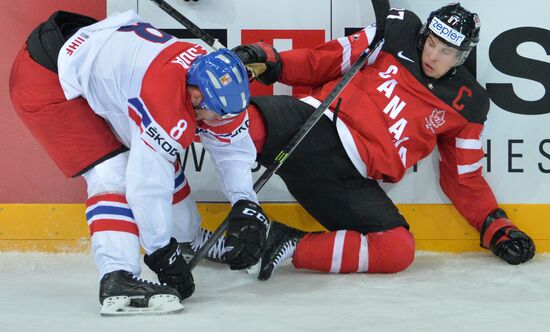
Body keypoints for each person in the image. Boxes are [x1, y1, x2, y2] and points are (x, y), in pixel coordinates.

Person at [188, 2, 536, 280]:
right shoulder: (398, 32)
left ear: (462, 56)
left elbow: (464, 177)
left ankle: (278, 243)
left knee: (398, 248)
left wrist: (496, 226)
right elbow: (324, 60)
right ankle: (177, 221)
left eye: (445, 51)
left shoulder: (469, 104)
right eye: (431, 43)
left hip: (348, 180)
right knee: (228, 118)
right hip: (312, 124)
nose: (432, 56)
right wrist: (271, 58)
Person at [9, 10, 269, 315]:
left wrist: (245, 202)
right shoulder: (165, 99)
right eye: (211, 113)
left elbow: (233, 149)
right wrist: (161, 253)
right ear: (195, 96)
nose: (214, 121)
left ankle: (189, 239)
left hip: (98, 61)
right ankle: (118, 277)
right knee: (113, 173)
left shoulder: (221, 87)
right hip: (46, 77)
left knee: (157, 155)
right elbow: (145, 186)